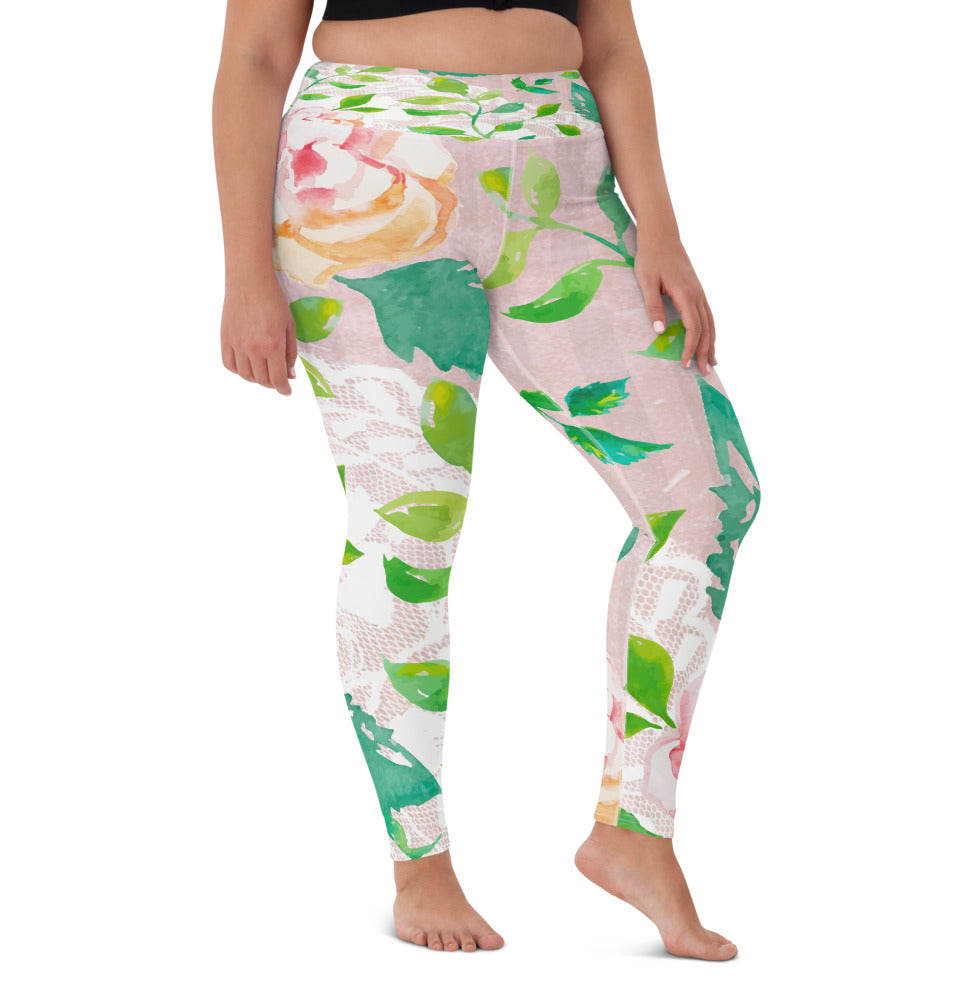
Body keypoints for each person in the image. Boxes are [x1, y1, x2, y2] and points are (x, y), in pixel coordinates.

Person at [213, 0, 760, 960]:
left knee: (707, 493)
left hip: (563, 179)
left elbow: (612, 44)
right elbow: (257, 54)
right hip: (365, 166)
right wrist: (244, 270)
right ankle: (419, 858)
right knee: (408, 523)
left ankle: (636, 826)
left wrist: (660, 228)